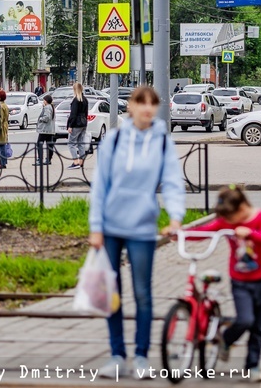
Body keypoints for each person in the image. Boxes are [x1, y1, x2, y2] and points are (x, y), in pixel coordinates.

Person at [89, 86, 186, 380]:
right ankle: (117, 354)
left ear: (156, 108)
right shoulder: (115, 139)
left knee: (143, 293)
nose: (146, 108)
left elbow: (171, 181)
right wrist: (95, 227)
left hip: (142, 228)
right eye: (140, 102)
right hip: (110, 227)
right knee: (112, 293)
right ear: (130, 106)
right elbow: (100, 185)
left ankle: (142, 356)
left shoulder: (162, 143)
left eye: (151, 104)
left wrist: (176, 217)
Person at [168, 186, 261, 383]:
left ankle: (253, 366)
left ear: (241, 208)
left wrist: (249, 232)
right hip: (240, 282)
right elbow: (204, 231)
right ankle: (226, 339)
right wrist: (181, 234)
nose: (229, 224)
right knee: (245, 319)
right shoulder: (227, 222)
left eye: (231, 219)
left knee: (258, 327)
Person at [66, 82, 89, 170]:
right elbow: (86, 113)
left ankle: (75, 162)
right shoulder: (85, 99)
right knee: (81, 143)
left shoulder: (76, 100)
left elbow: (73, 114)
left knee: (71, 143)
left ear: (75, 90)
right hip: (83, 123)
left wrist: (70, 125)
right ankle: (81, 162)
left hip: (76, 124)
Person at [34, 94, 55, 166]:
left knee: (39, 144)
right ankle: (48, 159)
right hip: (50, 129)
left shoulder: (47, 107)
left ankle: (40, 159)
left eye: (44, 100)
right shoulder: (51, 107)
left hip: (45, 130)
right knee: (49, 145)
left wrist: (40, 119)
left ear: (46, 101)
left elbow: (47, 117)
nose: (43, 101)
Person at [0, 90, 10, 169]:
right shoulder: (5, 105)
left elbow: (0, 118)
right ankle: (3, 162)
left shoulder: (0, 106)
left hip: (1, 126)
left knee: (1, 145)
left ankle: (2, 162)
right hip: (5, 125)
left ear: (0, 97)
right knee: (3, 143)